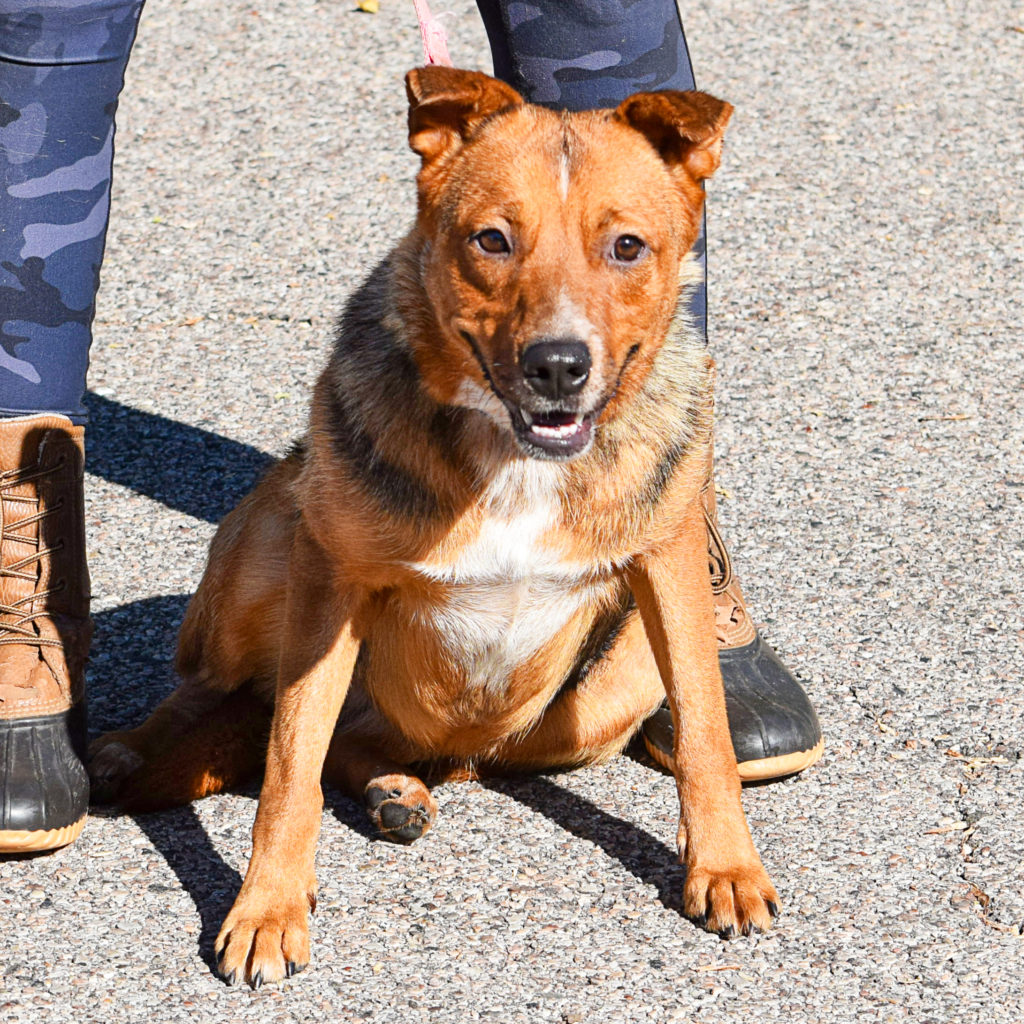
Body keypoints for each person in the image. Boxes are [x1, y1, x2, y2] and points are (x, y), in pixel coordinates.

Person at [0, 0, 819, 855]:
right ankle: (52, 605)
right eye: (496, 242)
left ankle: (672, 525)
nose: (559, 331)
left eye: (622, 249)